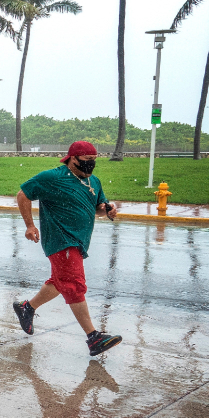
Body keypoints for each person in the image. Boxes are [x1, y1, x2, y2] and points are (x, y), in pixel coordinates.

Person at [12, 141, 123, 356]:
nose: (91, 164)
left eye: (94, 160)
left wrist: (107, 210)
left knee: (60, 282)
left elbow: (98, 208)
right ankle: (93, 338)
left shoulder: (94, 181)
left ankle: (27, 308)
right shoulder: (52, 177)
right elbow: (22, 195)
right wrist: (30, 225)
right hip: (60, 240)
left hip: (79, 240)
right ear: (73, 158)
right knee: (73, 284)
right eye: (87, 160)